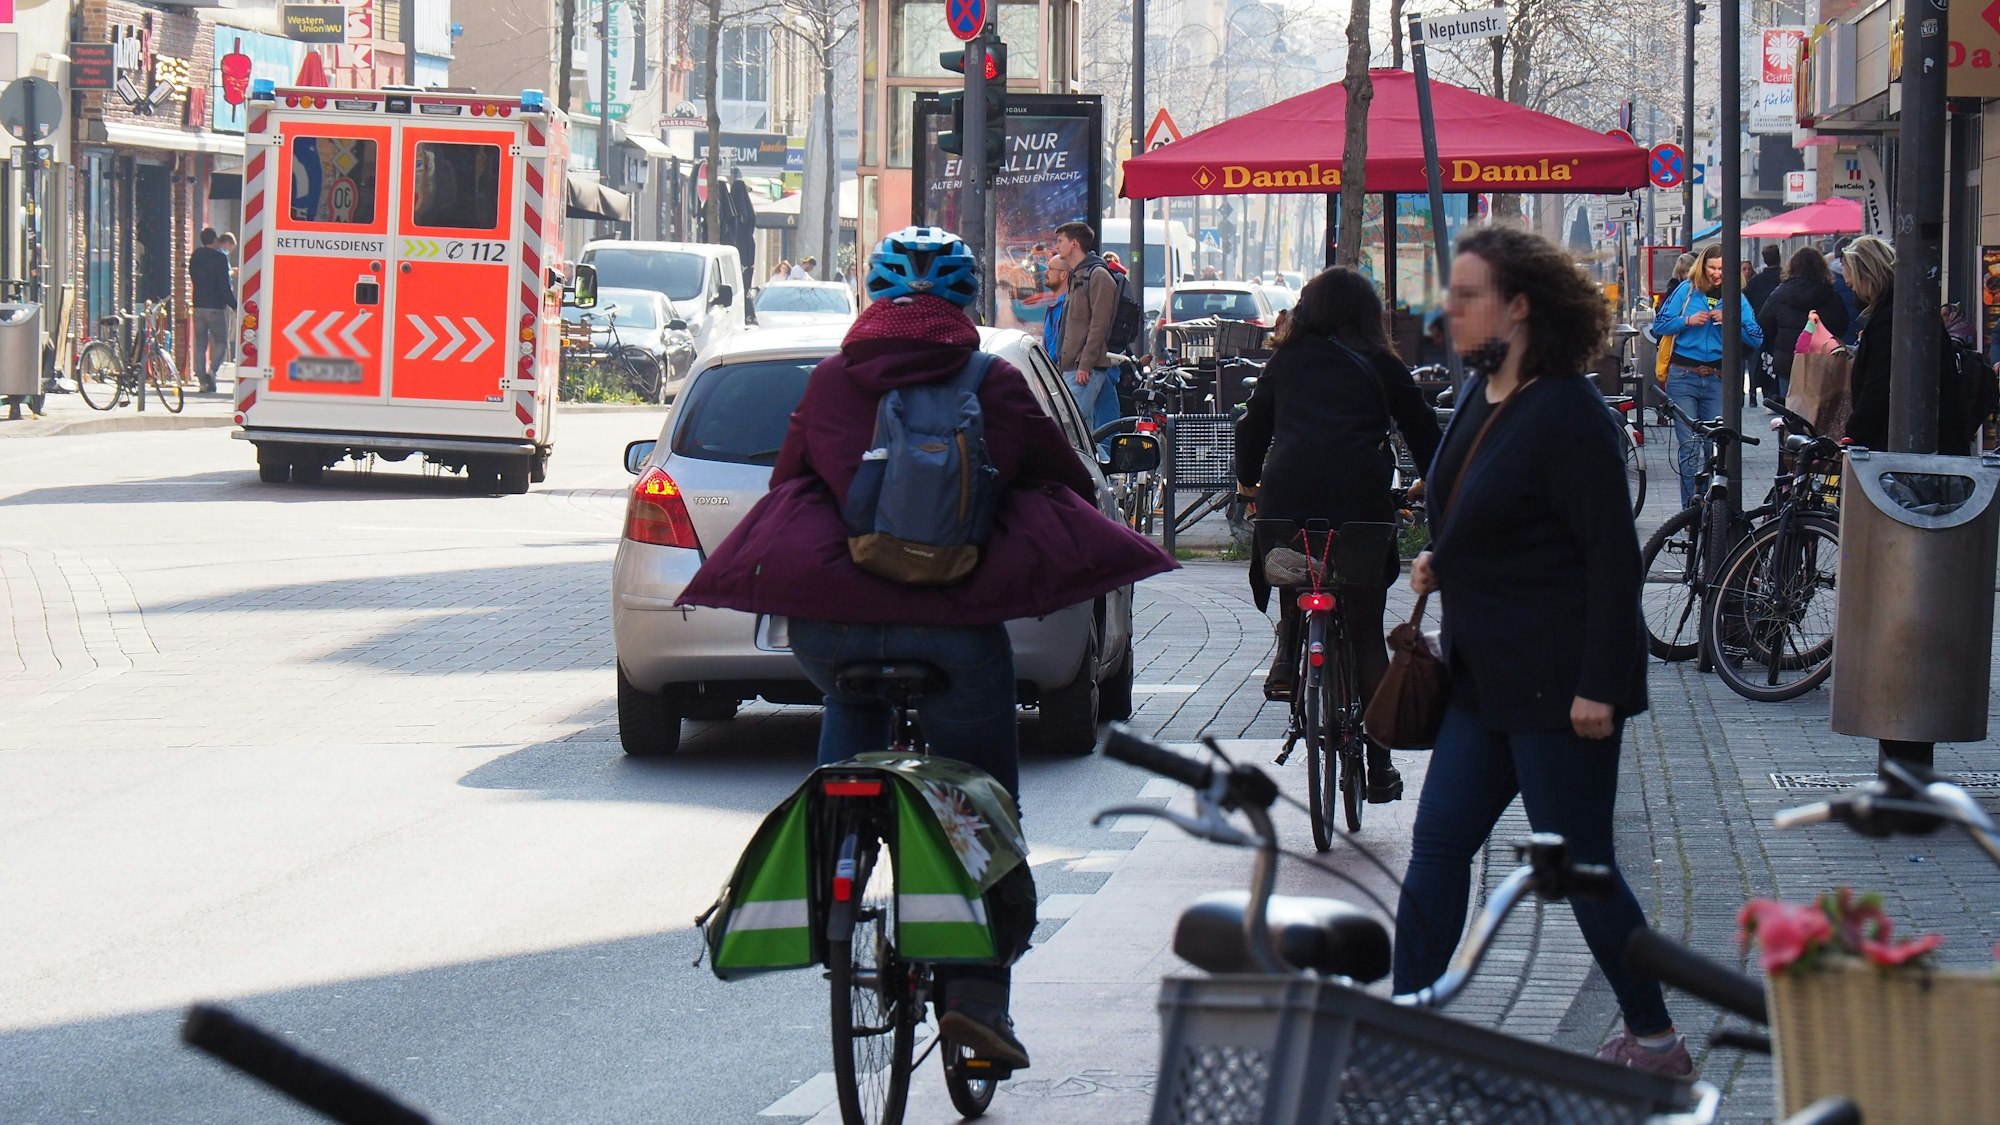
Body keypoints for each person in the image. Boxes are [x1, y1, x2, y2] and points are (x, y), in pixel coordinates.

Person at [674, 226, 1175, 1070]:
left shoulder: (833, 380)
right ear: (964, 302)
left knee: (849, 702)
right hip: (952, 630)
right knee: (981, 795)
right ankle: (976, 998)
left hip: (836, 624)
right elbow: (1057, 473)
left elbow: (792, 477)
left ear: (875, 298)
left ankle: (839, 860)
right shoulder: (993, 377)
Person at [1396, 225, 1686, 1076]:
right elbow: (1487, 514)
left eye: (1468, 295)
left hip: (1562, 690)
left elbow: (1608, 557)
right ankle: (1407, 1030)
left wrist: (1601, 684)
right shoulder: (1483, 397)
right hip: (1482, 682)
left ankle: (1657, 1038)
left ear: (1519, 307)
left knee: (1581, 867)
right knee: (1438, 846)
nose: (1449, 310)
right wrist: (1440, 558)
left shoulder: (1569, 414)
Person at [1233, 266, 1443, 804]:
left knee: (1291, 555)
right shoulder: (1382, 364)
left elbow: (1251, 427)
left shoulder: (1287, 360)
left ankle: (1287, 647)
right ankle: (1378, 765)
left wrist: (1249, 482)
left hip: (1289, 495)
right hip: (1360, 502)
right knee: (1368, 635)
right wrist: (1431, 482)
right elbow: (1423, 431)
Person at [1651, 243, 1765, 507]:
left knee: (1712, 448)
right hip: (1683, 377)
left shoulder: (1736, 297)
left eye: (1723, 269)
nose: (1717, 274)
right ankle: (1691, 511)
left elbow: (1757, 338)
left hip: (1717, 378)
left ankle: (1713, 512)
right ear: (1702, 267)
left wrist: (1733, 319)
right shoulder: (1686, 291)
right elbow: (1659, 324)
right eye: (1712, 268)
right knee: (1690, 449)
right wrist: (1686, 321)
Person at [1840, 235, 1967, 451]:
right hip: (1914, 435)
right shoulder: (1902, 306)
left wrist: (1854, 433)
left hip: (1899, 441)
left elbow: (1878, 383)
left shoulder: (1893, 317)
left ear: (1868, 275)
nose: (1855, 293)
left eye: (1853, 285)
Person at [1757, 246, 1849, 403]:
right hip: (1822, 362)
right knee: (1819, 413)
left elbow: (1763, 324)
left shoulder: (1780, 294)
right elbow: (1842, 326)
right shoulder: (1830, 295)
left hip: (1788, 362)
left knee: (1791, 410)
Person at [1052, 221, 1120, 430]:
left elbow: (1099, 325)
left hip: (1083, 369)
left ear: (1074, 243)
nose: (1057, 245)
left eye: (1060, 240)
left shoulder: (1097, 275)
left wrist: (1085, 364)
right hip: (1072, 367)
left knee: (1071, 428)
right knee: (1084, 431)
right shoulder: (1078, 274)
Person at [188, 228, 235, 394]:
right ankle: (212, 371)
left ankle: (202, 382)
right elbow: (224, 286)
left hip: (198, 306)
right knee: (222, 341)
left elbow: (193, 277)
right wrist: (235, 305)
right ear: (215, 240)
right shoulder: (219, 258)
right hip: (215, 307)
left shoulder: (195, 257)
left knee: (200, 344)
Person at [1744, 245, 1785, 405]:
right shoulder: (1785, 280)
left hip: (1759, 327)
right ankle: (1775, 393)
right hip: (1781, 329)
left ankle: (1755, 393)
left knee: (1757, 362)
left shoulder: (1755, 282)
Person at [1040, 257, 1069, 361]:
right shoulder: (1055, 306)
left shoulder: (1066, 306)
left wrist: (1046, 366)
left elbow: (1056, 347)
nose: (1046, 273)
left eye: (1050, 269)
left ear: (1063, 275)